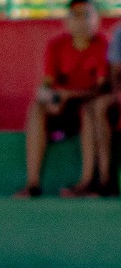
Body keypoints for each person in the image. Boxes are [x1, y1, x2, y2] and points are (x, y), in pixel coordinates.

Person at [18, 0, 112, 197]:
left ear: (96, 20)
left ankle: (87, 181)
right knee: (36, 109)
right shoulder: (56, 46)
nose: (81, 21)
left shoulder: (102, 45)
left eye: (86, 15)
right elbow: (47, 83)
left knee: (88, 111)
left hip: (89, 105)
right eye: (75, 16)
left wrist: (72, 95)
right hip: (62, 106)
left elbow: (104, 89)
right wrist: (48, 97)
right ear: (67, 21)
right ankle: (33, 183)